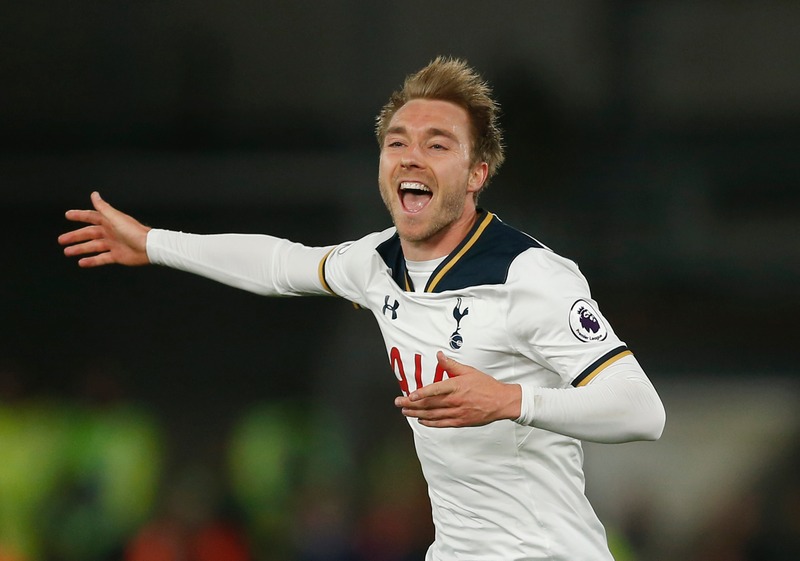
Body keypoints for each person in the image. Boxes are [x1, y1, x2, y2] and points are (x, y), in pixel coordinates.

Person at [59, 56, 666, 561]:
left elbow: (642, 412)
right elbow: (278, 265)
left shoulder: (529, 276)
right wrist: (153, 243)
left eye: (437, 144)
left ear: (477, 172)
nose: (410, 156)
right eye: (396, 142)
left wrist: (511, 401)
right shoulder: (375, 263)